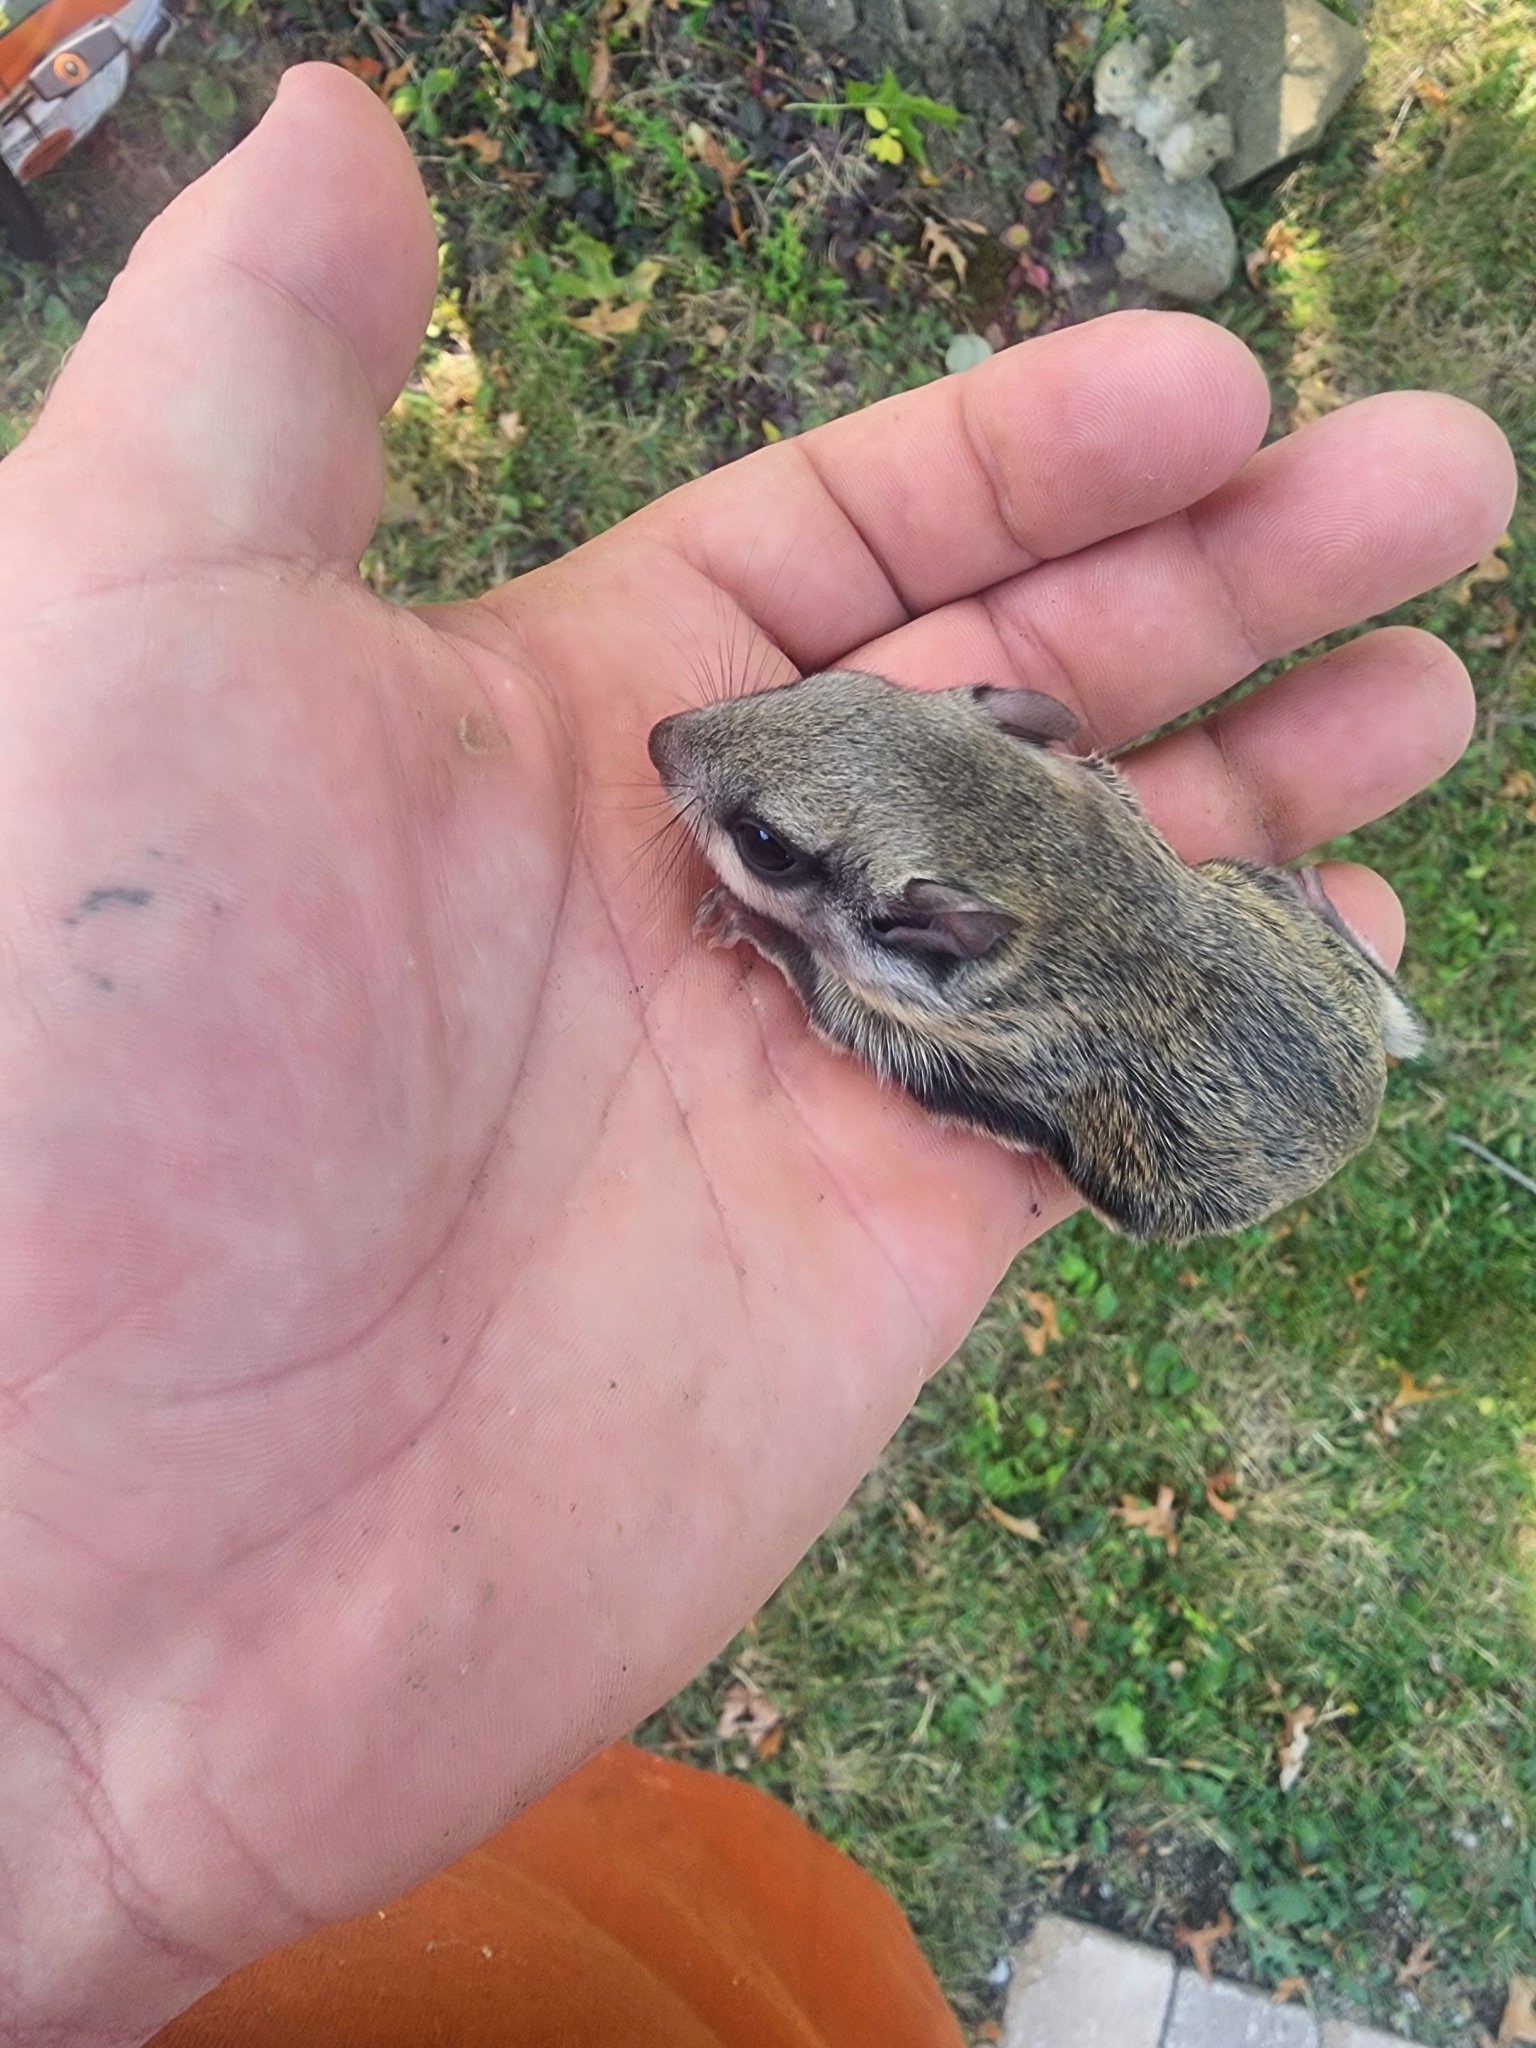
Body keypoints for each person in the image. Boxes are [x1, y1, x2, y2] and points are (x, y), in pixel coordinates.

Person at [0, 59, 1515, 2048]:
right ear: (1004, 720)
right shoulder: (1026, 782)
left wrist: (781, 955)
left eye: (784, 850)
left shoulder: (950, 1002)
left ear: (929, 937)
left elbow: (904, 1035)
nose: (684, 774)